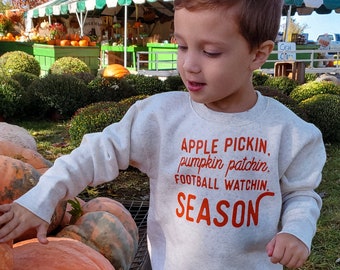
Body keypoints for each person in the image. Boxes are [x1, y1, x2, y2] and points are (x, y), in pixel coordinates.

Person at [0, 0, 326, 269]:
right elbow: (93, 154)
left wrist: (297, 231)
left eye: (210, 52)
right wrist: (43, 198)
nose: (189, 65)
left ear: (257, 54)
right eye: (182, 46)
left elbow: (301, 193)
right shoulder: (158, 118)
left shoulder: (289, 132)